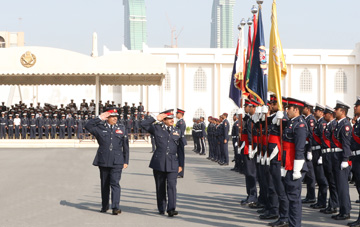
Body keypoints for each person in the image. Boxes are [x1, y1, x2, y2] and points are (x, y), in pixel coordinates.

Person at [85, 107, 129, 215]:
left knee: (115, 183)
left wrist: (126, 160)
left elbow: (126, 146)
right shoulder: (100, 127)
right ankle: (105, 206)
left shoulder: (122, 128)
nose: (115, 119)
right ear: (107, 117)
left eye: (116, 117)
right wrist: (99, 118)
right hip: (104, 159)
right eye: (112, 117)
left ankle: (115, 207)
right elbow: (87, 126)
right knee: (104, 184)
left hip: (117, 160)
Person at [141, 109, 184, 217]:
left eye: (172, 118)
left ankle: (171, 209)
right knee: (160, 186)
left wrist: (181, 165)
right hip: (159, 162)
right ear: (163, 120)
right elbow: (143, 124)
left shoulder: (177, 131)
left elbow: (181, 150)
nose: (171, 120)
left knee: (172, 186)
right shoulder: (157, 129)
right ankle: (161, 207)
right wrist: (155, 118)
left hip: (173, 162)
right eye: (169, 118)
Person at [282, 97, 308, 227]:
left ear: (296, 109)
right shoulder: (291, 123)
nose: (287, 110)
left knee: (294, 198)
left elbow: (299, 148)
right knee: (290, 196)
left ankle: (295, 224)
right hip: (288, 164)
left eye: (289, 108)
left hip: (294, 165)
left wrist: (297, 168)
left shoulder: (300, 125)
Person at [331, 100, 352, 220]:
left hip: (341, 159)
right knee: (339, 186)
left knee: (343, 186)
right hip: (336, 158)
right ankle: (342, 210)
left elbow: (346, 144)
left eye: (336, 109)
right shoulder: (339, 124)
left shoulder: (345, 125)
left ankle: (345, 212)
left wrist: (345, 159)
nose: (334, 111)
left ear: (342, 112)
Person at [176, 108, 187, 178]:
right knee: (179, 157)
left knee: (181, 157)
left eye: (177, 113)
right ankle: (178, 171)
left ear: (180, 114)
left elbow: (180, 132)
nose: (176, 114)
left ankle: (180, 172)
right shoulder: (179, 122)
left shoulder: (181, 122)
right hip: (179, 140)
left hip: (180, 140)